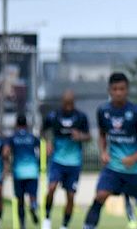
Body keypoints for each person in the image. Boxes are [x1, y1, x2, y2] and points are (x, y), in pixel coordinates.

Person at [82, 72, 137, 229]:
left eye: (122, 89)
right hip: (113, 168)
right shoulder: (103, 111)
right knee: (100, 196)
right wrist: (103, 151)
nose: (118, 93)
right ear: (109, 90)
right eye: (115, 89)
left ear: (127, 90)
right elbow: (102, 134)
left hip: (135, 170)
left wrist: (135, 156)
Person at [41, 89, 91, 229]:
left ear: (74, 102)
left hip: (74, 163)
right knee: (51, 188)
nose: (68, 106)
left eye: (71, 103)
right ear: (62, 102)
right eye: (66, 103)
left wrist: (80, 136)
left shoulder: (81, 117)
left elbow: (89, 136)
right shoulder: (54, 116)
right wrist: (48, 142)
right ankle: (47, 218)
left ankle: (64, 225)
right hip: (58, 160)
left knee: (70, 196)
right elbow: (43, 131)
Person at [4, 114, 40, 229]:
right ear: (26, 124)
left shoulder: (12, 138)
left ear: (16, 124)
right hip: (32, 171)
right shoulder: (32, 137)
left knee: (20, 200)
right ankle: (33, 206)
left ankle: (22, 224)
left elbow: (5, 152)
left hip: (18, 172)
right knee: (32, 194)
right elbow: (44, 148)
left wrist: (7, 165)